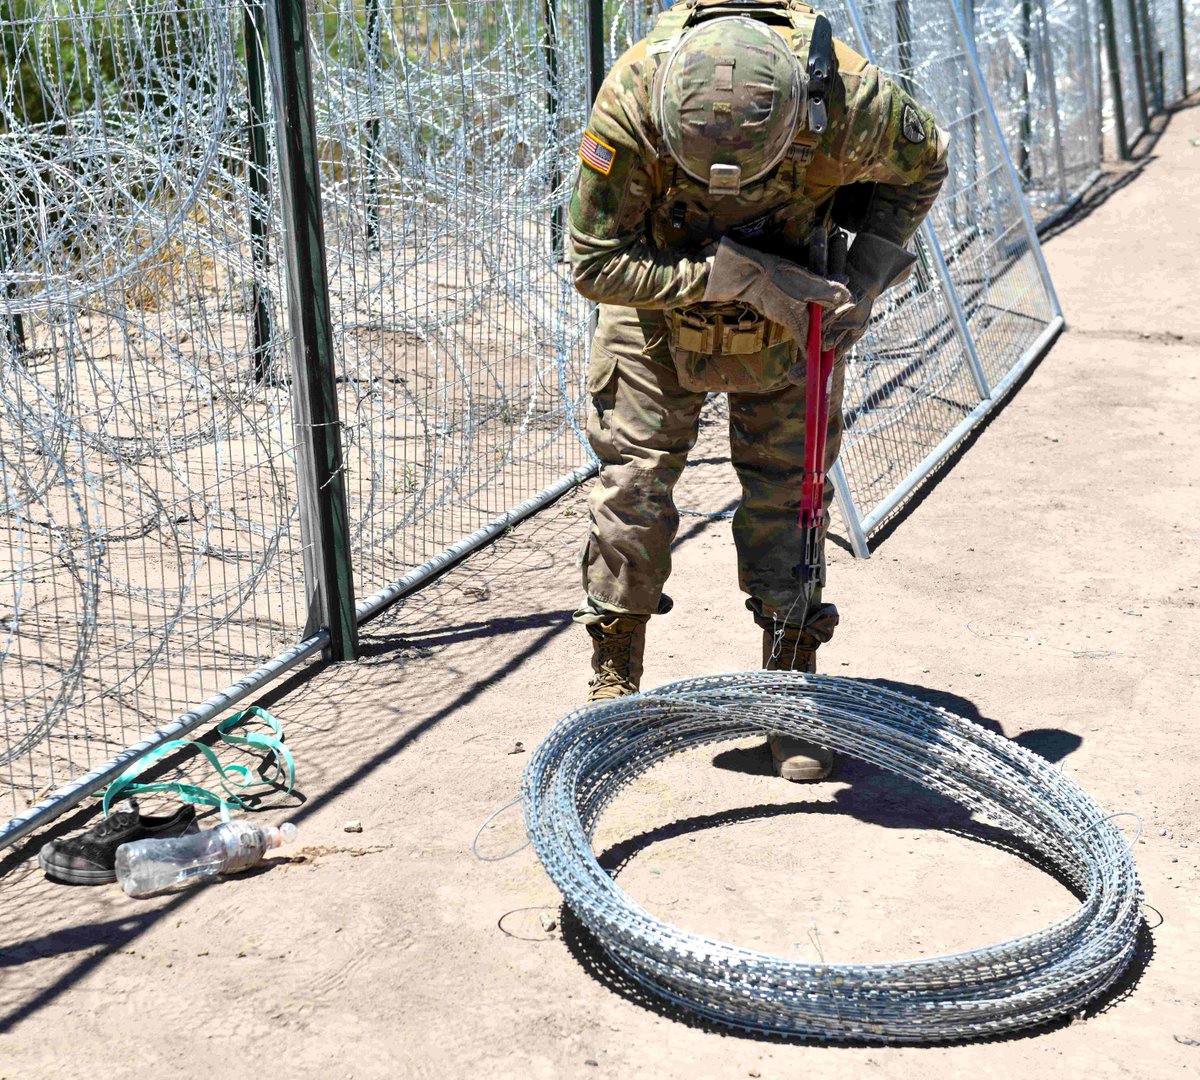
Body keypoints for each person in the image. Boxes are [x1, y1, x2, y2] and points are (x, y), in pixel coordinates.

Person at [568, 0, 948, 780]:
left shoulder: (850, 101)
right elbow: (594, 263)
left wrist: (864, 275)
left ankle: (789, 688)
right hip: (657, 304)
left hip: (795, 306)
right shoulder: (632, 100)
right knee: (633, 493)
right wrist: (724, 276)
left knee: (790, 495)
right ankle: (613, 682)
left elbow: (925, 165)